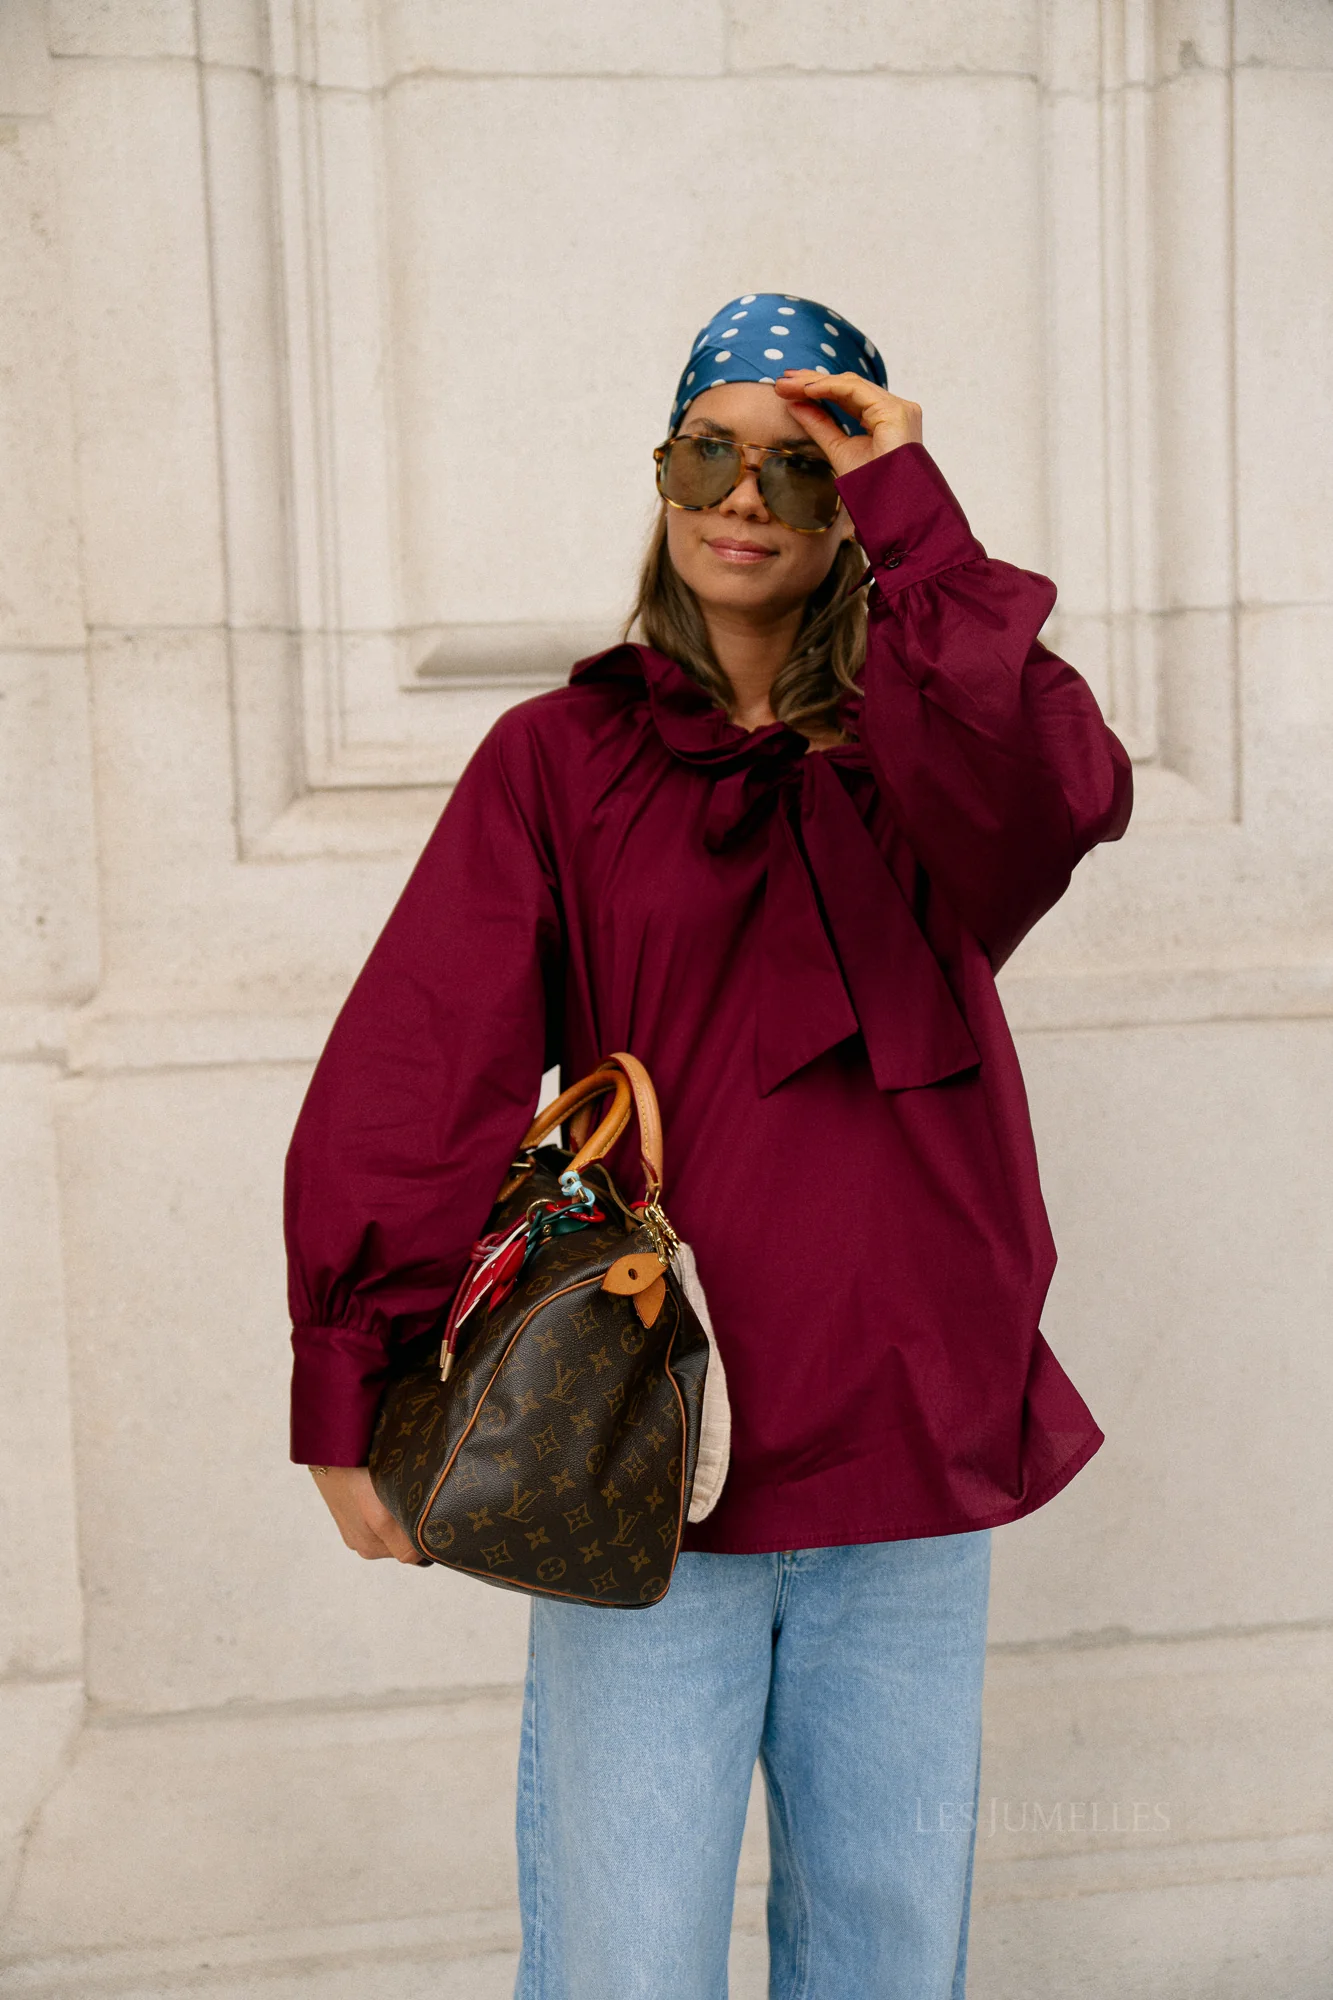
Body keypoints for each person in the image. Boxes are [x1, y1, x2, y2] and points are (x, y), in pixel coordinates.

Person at [284, 293, 1133, 1999]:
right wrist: (344, 1375)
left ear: (851, 510)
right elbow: (417, 1063)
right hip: (638, 1458)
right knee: (625, 1956)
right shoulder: (558, 759)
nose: (746, 499)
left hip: (911, 1436)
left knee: (892, 1954)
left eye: (801, 472)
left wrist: (917, 509)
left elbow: (1064, 792)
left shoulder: (934, 751)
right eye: (707, 454)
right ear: (661, 477)